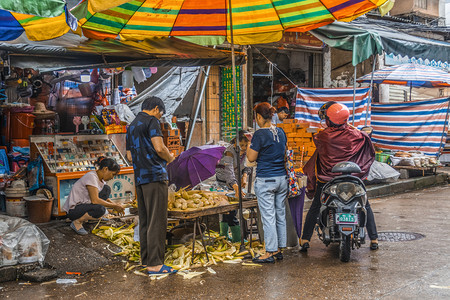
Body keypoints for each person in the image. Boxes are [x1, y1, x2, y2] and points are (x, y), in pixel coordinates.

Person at [300, 101, 379, 252]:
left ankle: (305, 239)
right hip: (352, 179)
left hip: (328, 180)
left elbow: (318, 141)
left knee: (316, 206)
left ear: (329, 120)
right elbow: (368, 144)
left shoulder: (323, 137)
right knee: (365, 205)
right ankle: (374, 238)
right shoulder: (357, 136)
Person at [126, 96, 176, 275]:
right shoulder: (152, 122)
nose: (160, 117)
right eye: (161, 114)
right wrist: (170, 158)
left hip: (140, 178)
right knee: (157, 220)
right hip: (155, 176)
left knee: (146, 220)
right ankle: (155, 264)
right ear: (156, 109)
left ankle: (146, 259)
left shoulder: (131, 126)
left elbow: (130, 157)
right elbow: (160, 148)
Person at [247, 102, 288, 263]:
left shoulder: (259, 134)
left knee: (268, 217)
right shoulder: (281, 132)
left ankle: (270, 251)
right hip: (281, 179)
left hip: (266, 180)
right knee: (280, 214)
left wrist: (251, 142)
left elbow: (251, 158)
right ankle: (279, 248)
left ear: (258, 116)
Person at [63, 157, 125, 235]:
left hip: (85, 205)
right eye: (113, 174)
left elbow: (105, 198)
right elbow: (95, 200)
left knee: (106, 189)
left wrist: (117, 205)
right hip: (74, 210)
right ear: (105, 169)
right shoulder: (91, 176)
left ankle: (92, 217)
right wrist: (114, 206)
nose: (112, 177)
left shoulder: (101, 180)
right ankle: (77, 222)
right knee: (100, 209)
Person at [216, 130, 251, 242]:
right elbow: (229, 172)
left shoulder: (245, 152)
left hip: (236, 181)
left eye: (246, 145)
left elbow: (248, 165)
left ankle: (224, 236)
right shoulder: (229, 152)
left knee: (231, 210)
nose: (244, 148)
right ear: (235, 142)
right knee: (229, 209)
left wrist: (244, 176)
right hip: (224, 182)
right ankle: (237, 239)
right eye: (241, 145)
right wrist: (236, 187)